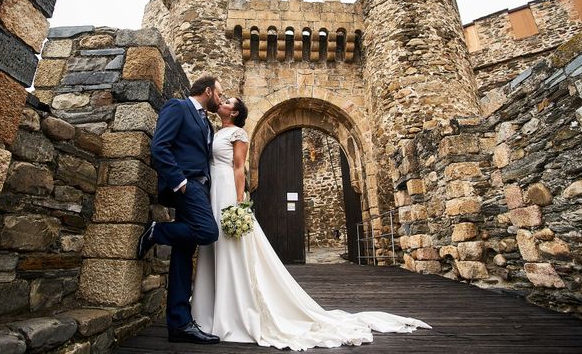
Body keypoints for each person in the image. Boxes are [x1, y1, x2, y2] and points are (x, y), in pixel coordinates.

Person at [191, 97, 431, 350]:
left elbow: (239, 168)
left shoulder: (239, 132)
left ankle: (235, 309)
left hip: (228, 192)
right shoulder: (216, 130)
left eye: (228, 101)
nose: (222, 101)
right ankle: (215, 306)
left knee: (233, 248)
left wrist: (239, 204)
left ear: (236, 111)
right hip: (214, 191)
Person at [137, 75, 224, 344]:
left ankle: (179, 324)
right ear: (208, 91)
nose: (220, 100)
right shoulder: (178, 107)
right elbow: (160, 145)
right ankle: (157, 231)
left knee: (183, 255)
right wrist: (180, 182)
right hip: (187, 185)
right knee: (208, 232)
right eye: (219, 94)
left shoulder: (206, 123)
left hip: (201, 189)